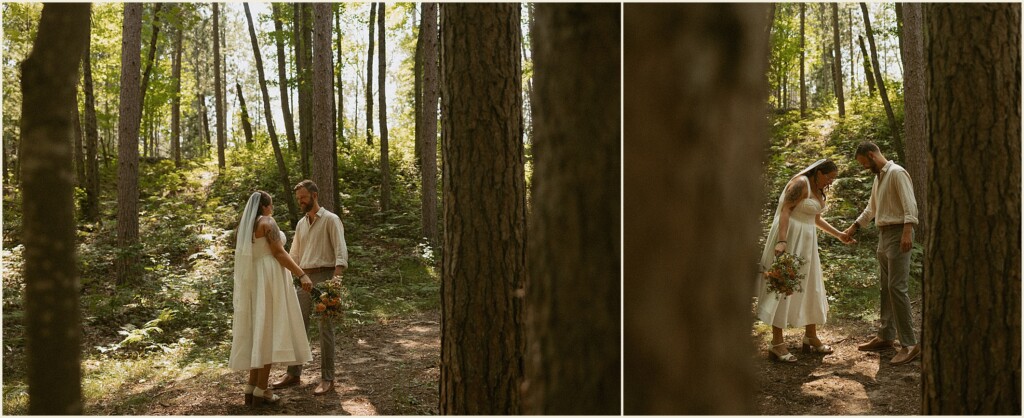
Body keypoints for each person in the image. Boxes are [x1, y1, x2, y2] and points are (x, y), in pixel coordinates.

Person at [755, 159, 855, 363]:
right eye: (829, 177)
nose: (830, 182)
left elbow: (815, 219)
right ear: (818, 172)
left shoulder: (818, 189)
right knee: (784, 285)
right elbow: (785, 210)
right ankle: (777, 343)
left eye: (833, 179)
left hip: (808, 242)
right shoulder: (800, 183)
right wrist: (782, 241)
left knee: (811, 286)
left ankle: (810, 336)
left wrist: (839, 235)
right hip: (791, 237)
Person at [229, 191, 313, 406]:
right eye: (271, 205)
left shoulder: (244, 227)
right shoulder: (267, 222)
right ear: (264, 206)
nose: (272, 208)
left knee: (259, 329)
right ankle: (261, 390)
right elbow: (279, 253)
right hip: (269, 278)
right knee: (268, 330)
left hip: (254, 278)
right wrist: (301, 274)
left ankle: (251, 387)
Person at [843, 142, 920, 365]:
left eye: (864, 163)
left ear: (871, 155)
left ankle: (910, 344)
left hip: (899, 232)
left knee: (897, 287)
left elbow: (910, 204)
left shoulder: (897, 173)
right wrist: (853, 228)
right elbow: (871, 209)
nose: (865, 167)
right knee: (885, 287)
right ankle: (886, 336)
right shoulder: (879, 178)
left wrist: (907, 231)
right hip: (883, 235)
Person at [272, 180, 349, 395]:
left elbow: (341, 253)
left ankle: (327, 378)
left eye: (303, 197)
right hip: (304, 279)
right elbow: (294, 256)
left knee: (325, 329)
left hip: (326, 277)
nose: (300, 201)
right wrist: (291, 278)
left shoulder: (331, 219)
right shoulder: (301, 224)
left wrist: (335, 284)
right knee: (297, 326)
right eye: (298, 199)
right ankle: (293, 374)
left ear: (314, 195)